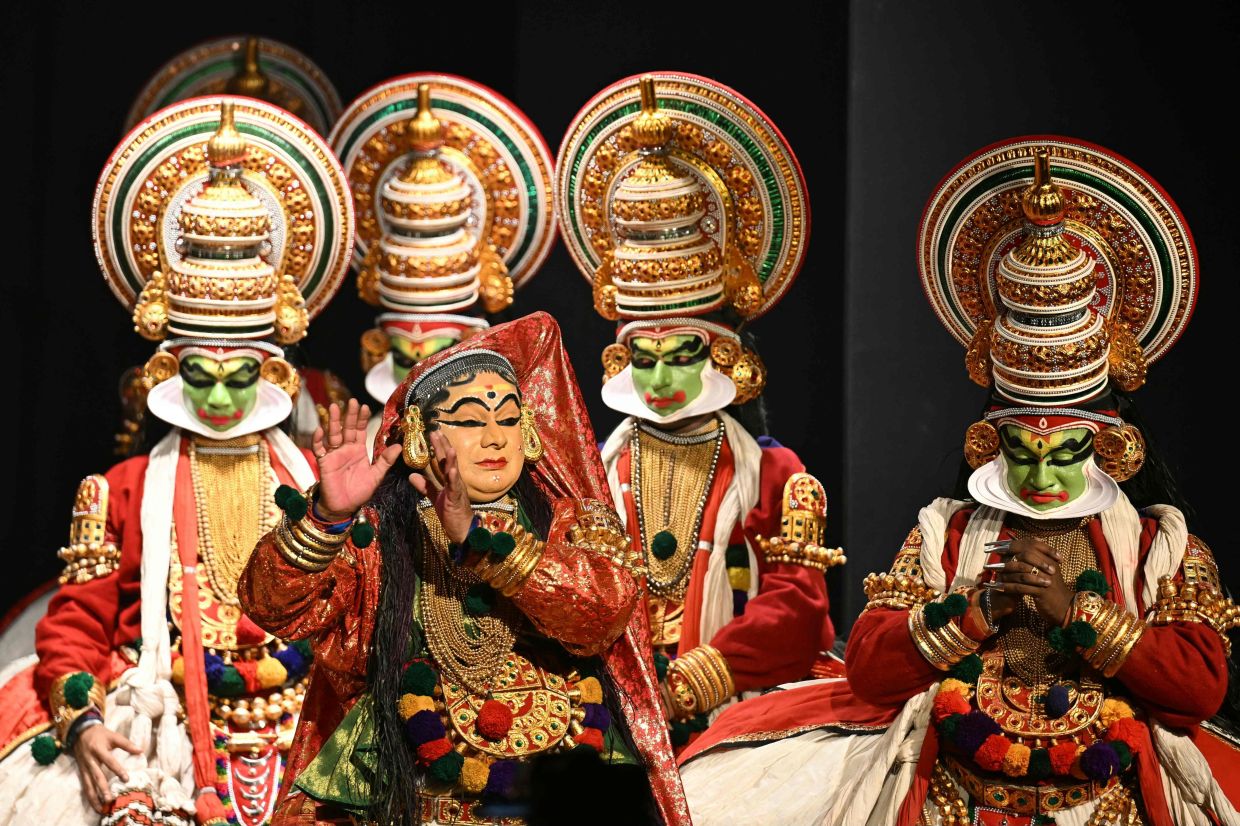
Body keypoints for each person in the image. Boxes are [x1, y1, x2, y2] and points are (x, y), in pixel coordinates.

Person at [676, 139, 1240, 825]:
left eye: (1062, 451)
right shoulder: (948, 533)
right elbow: (872, 669)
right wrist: (976, 610)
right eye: (1019, 451)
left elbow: (1199, 688)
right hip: (952, 793)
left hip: (1107, 797)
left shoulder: (1160, 544)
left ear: (1108, 447)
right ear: (988, 444)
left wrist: (1079, 613)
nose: (1038, 475)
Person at [0, 97, 354, 826]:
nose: (222, 395)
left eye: (240, 375)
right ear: (170, 370)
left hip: (304, 717)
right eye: (201, 375)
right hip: (163, 718)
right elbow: (75, 631)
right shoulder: (122, 490)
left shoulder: (314, 483)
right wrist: (86, 723)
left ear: (274, 372)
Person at [237, 312, 690, 825]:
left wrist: (481, 540)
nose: (496, 437)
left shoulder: (570, 522)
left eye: (510, 418)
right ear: (416, 436)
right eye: (472, 420)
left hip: (561, 790)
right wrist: (328, 516)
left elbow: (602, 612)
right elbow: (274, 608)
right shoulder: (378, 538)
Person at [554, 72, 842, 745]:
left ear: (724, 358)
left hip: (731, 712)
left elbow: (798, 607)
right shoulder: (595, 474)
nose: (659, 378)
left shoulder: (774, 474)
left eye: (680, 354)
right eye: (643, 356)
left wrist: (693, 682)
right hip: (610, 708)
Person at [328, 76, 556, 442]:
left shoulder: (505, 441)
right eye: (406, 361)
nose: (420, 379)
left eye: (440, 361)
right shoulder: (364, 446)